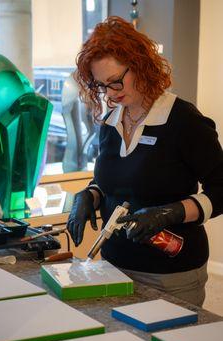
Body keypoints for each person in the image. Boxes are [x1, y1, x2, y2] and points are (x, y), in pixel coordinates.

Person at [67, 16, 223, 307]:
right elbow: (111, 180)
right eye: (102, 86)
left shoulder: (183, 120)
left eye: (116, 81)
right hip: (113, 267)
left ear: (139, 63)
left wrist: (171, 213)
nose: (111, 93)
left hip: (171, 274)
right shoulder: (111, 122)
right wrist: (90, 195)